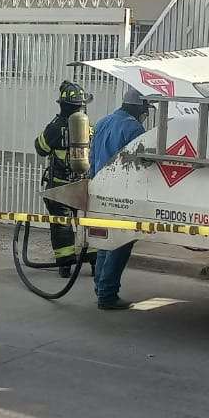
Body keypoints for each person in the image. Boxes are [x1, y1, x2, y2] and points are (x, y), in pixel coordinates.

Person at [89, 87, 152, 311]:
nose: (146, 113)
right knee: (121, 242)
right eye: (145, 108)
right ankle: (107, 295)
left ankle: (101, 287)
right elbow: (140, 164)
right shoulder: (133, 127)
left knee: (105, 241)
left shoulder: (103, 121)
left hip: (99, 189)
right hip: (121, 193)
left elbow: (92, 156)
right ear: (139, 107)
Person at [34, 80, 92, 277]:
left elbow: (40, 149)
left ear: (62, 104)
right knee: (87, 222)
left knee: (62, 225)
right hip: (84, 185)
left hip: (60, 186)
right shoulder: (88, 127)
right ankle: (94, 263)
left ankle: (65, 266)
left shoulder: (55, 127)